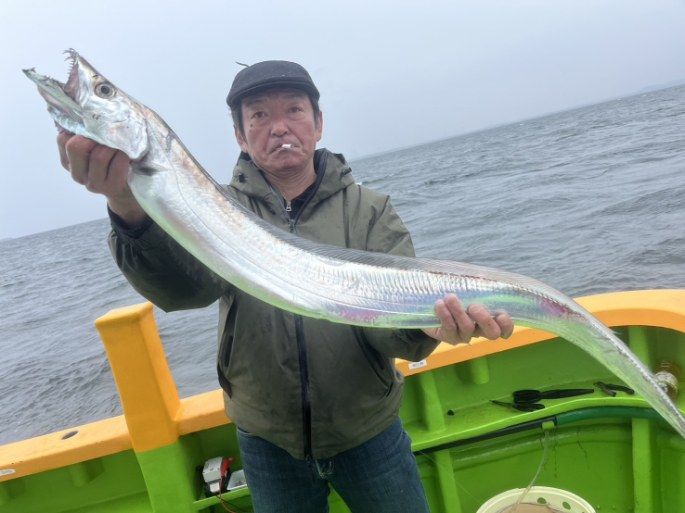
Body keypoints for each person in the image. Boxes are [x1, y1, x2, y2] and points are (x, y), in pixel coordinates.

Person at [56, 60, 514, 513]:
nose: (279, 127)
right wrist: (125, 204)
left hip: (369, 431)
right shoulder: (215, 209)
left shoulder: (370, 212)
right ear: (240, 135)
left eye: (294, 110)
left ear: (318, 123)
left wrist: (425, 328)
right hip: (267, 442)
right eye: (258, 115)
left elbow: (392, 330)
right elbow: (182, 293)